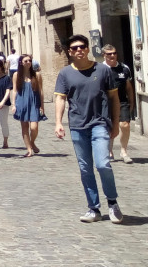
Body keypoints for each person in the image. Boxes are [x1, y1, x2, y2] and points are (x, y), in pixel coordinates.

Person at [54, 34, 123, 224]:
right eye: (74, 48)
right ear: (69, 52)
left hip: (100, 123)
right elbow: (60, 98)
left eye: (82, 46)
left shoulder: (103, 70)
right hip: (77, 125)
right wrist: (58, 122)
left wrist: (115, 124)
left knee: (102, 164)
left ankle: (112, 203)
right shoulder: (65, 73)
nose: (79, 50)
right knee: (85, 169)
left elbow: (114, 98)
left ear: (87, 48)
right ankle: (93, 208)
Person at [103, 44, 136, 164]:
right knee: (108, 127)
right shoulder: (100, 69)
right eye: (109, 54)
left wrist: (132, 103)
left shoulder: (124, 68)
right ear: (104, 55)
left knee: (125, 125)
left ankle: (123, 151)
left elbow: (129, 88)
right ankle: (109, 151)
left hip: (122, 101)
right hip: (106, 103)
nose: (112, 55)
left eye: (114, 53)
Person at [11, 54, 44, 157]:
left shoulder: (37, 75)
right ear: (21, 62)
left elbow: (41, 91)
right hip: (21, 102)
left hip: (34, 102)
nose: (28, 62)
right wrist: (13, 104)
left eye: (29, 60)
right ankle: (29, 149)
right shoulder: (16, 75)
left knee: (34, 127)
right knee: (24, 127)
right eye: (26, 61)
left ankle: (32, 142)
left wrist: (42, 105)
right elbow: (14, 90)